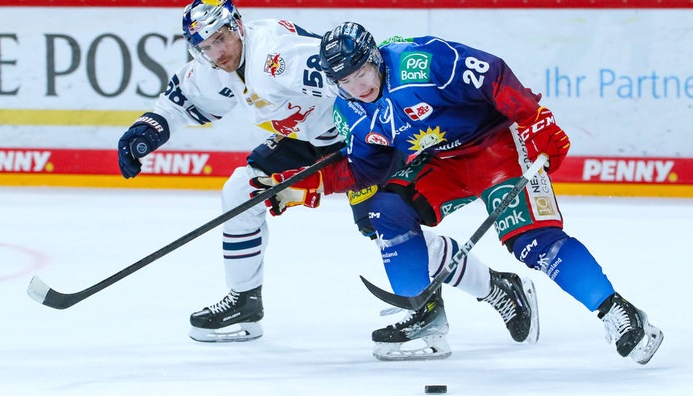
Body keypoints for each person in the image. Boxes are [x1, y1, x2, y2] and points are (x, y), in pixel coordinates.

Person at [116, 0, 537, 357]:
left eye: (221, 40)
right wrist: (145, 132)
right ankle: (245, 303)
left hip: (360, 136)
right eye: (205, 47)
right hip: (307, 138)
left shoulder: (279, 58)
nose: (217, 53)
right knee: (241, 192)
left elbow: (355, 78)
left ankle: (496, 287)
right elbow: (180, 100)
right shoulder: (213, 67)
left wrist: (387, 136)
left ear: (237, 26)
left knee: (387, 229)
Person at [252, 22, 663, 364]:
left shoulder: (420, 61)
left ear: (375, 58)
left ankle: (618, 312)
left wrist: (534, 118)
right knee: (387, 209)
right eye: (343, 80)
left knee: (531, 241)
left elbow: (492, 74)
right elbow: (366, 168)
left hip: (499, 144)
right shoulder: (350, 110)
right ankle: (423, 316)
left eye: (360, 73)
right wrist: (303, 187)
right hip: (442, 162)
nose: (356, 86)